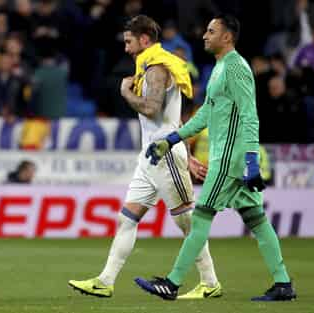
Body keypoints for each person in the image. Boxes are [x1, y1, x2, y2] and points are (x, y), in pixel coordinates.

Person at [134, 14, 296, 301]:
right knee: (256, 218)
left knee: (200, 217)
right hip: (231, 156)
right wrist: (172, 140)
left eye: (211, 31)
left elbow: (249, 116)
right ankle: (283, 284)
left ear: (227, 37)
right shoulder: (220, 69)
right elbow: (206, 115)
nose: (205, 36)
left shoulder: (235, 69)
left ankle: (172, 283)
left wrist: (250, 161)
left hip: (230, 158)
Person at [68, 15, 222, 300]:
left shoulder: (156, 69)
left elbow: (152, 109)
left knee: (186, 222)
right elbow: (170, 119)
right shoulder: (150, 66)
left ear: (144, 40)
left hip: (164, 156)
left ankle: (210, 281)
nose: (126, 48)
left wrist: (126, 92)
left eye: (129, 42)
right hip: (152, 156)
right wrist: (185, 152)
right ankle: (105, 281)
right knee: (127, 219)